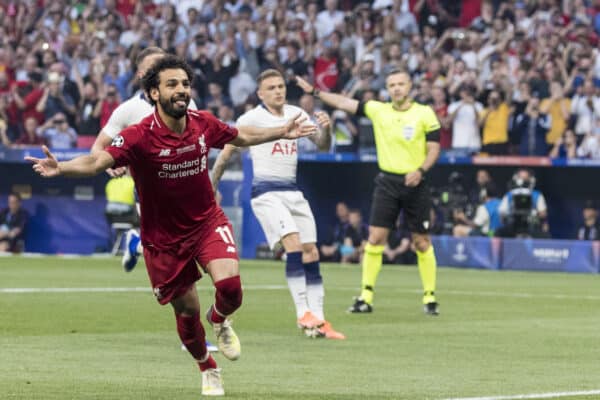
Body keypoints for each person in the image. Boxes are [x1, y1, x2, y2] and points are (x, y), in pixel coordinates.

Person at [26, 55, 317, 396]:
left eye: (184, 84)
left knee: (232, 289)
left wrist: (282, 130)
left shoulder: (202, 122)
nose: (181, 90)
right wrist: (61, 167)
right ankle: (207, 367)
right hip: (163, 239)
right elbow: (96, 160)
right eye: (172, 85)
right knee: (187, 314)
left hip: (206, 221)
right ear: (153, 93)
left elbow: (241, 135)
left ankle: (220, 319)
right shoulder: (138, 137)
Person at [211, 69, 345, 340]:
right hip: (266, 192)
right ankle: (302, 313)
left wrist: (327, 129)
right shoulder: (250, 118)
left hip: (292, 191)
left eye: (281, 86)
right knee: (294, 245)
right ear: (260, 93)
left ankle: (318, 320)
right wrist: (210, 188)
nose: (278, 91)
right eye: (271, 87)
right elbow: (227, 153)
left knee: (312, 252)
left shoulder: (296, 113)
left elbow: (321, 145)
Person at [295, 69, 442, 316]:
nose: (396, 88)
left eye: (401, 84)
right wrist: (315, 92)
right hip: (387, 181)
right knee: (374, 239)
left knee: (421, 241)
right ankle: (365, 296)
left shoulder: (424, 113)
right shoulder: (378, 109)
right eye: (392, 84)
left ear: (410, 86)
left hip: (416, 182)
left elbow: (435, 147)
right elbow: (343, 102)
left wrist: (421, 170)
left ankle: (430, 298)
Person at [89, 46, 197, 272]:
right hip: (149, 188)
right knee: (169, 248)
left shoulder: (185, 103)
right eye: (153, 67)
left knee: (176, 244)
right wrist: (109, 165)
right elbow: (98, 147)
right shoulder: (128, 110)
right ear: (141, 75)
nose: (160, 71)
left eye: (163, 66)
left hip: (184, 183)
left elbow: (197, 142)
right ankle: (140, 245)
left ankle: (136, 244)